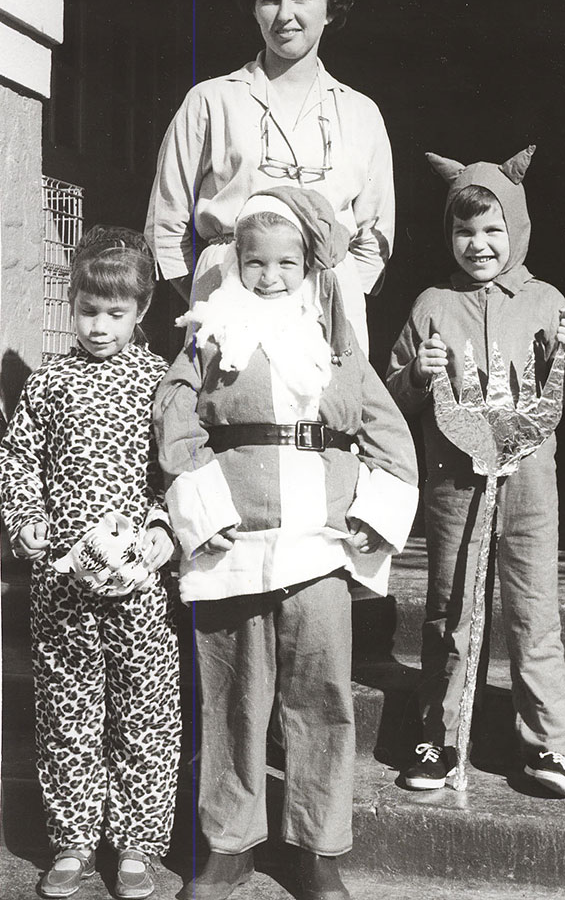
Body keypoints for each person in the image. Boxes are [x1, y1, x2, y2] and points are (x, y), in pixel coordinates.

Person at [154, 187, 419, 900]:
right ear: (235, 264)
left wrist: (374, 513)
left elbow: (391, 440)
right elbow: (177, 429)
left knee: (320, 697)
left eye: (286, 263)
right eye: (255, 263)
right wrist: (203, 512)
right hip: (232, 545)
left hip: (315, 546)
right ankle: (228, 846)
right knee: (233, 697)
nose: (270, 277)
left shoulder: (333, 345)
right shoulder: (210, 336)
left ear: (308, 267)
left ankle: (318, 849)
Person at [386, 146, 565, 799]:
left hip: (530, 486)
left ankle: (549, 746)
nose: (478, 244)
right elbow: (393, 396)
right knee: (450, 612)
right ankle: (438, 740)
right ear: (449, 234)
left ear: (518, 229)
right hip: (453, 485)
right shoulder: (430, 305)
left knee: (534, 610)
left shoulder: (545, 301)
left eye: (492, 229)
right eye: (464, 230)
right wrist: (416, 373)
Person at [0, 228, 182, 899]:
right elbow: (18, 462)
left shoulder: (162, 381)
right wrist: (26, 522)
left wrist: (165, 527)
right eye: (88, 311)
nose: (99, 326)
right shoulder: (49, 385)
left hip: (138, 585)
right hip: (62, 587)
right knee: (68, 710)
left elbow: (179, 469)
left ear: (139, 314)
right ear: (70, 303)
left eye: (115, 314)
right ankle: (74, 840)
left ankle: (135, 843)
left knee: (144, 711)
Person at [145, 0, 395, 354]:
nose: (286, 15)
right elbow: (165, 228)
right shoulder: (210, 101)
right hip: (228, 306)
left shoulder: (362, 114)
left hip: (329, 313)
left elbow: (375, 238)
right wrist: (220, 286)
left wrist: (336, 291)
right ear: (254, 6)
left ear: (330, 5)